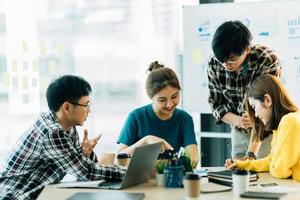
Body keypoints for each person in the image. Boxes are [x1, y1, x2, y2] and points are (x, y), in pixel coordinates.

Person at [0, 75, 126, 199]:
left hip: (40, 194)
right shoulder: (52, 133)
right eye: (86, 105)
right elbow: (87, 172)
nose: (89, 110)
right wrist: (128, 173)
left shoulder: (67, 126)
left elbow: (84, 168)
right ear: (67, 107)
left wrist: (85, 154)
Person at [207, 20, 282, 159]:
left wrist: (251, 153)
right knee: (238, 175)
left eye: (231, 59)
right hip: (238, 131)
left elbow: (266, 107)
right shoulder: (214, 62)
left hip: (265, 130)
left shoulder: (266, 60)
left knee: (264, 175)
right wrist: (238, 121)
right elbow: (215, 103)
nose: (225, 65)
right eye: (221, 60)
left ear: (247, 49)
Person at [117, 61, 199, 168]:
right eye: (162, 100)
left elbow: (193, 156)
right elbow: (118, 158)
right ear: (150, 96)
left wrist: (191, 160)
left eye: (174, 96)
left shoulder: (184, 119)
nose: (169, 104)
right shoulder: (136, 117)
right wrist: (146, 141)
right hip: (140, 181)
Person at [225, 74, 300, 182]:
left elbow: (280, 171)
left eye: (254, 107)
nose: (255, 115)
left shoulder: (289, 121)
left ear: (267, 100)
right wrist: (241, 165)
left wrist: (275, 166)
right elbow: (271, 161)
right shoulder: (282, 124)